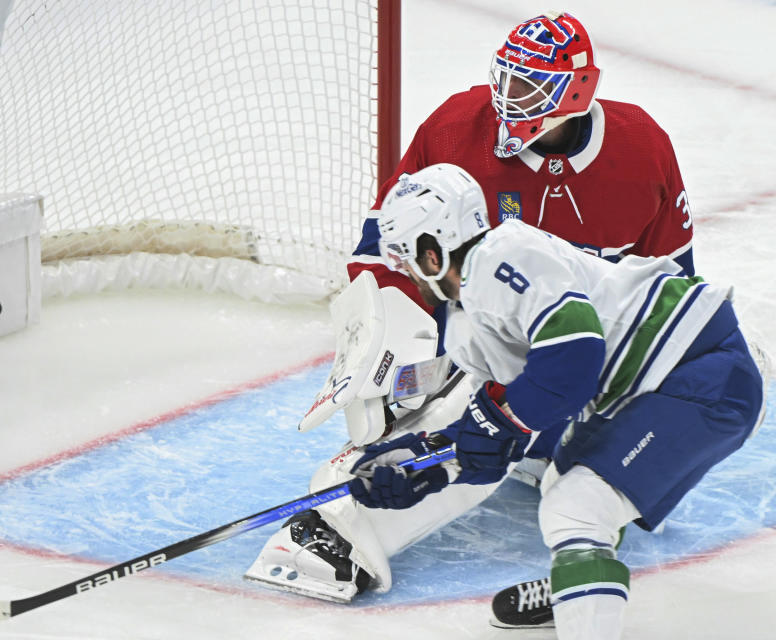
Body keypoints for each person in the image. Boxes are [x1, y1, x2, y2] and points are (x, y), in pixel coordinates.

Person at [245, 9, 699, 623]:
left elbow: (672, 280)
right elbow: (387, 243)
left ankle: (553, 463)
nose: (509, 101)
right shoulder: (460, 127)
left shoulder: (641, 146)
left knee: (552, 468)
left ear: (578, 91)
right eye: (506, 81)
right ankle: (341, 529)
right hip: (486, 330)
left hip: (595, 349)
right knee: (463, 416)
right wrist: (386, 343)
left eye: (530, 87)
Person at [347, 162, 763, 640]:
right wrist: (428, 463)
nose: (403, 270)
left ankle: (585, 601)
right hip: (647, 385)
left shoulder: (505, 254)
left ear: (431, 249)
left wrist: (493, 424)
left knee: (577, 506)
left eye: (404, 257)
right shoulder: (465, 325)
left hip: (699, 368)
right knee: (563, 483)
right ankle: (578, 586)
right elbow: (510, 429)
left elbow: (572, 359)